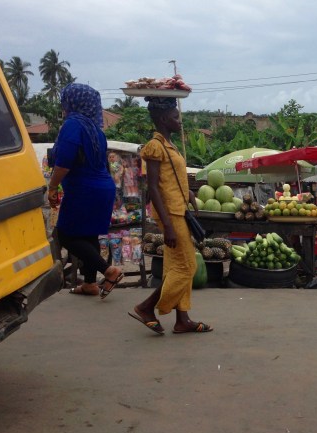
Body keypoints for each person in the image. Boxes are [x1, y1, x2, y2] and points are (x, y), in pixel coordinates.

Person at [129, 96, 213, 335]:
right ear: (165, 119)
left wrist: (188, 193)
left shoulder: (169, 145)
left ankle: (182, 319)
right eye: (176, 117)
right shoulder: (155, 146)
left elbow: (171, 178)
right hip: (170, 215)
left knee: (174, 267)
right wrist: (167, 225)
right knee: (187, 266)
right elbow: (153, 187)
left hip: (179, 209)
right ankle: (146, 307)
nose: (180, 121)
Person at [47, 83, 123, 298]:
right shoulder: (95, 129)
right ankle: (90, 283)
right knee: (88, 235)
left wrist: (52, 186)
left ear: (72, 102)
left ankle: (109, 271)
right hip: (102, 188)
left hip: (84, 189)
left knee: (67, 236)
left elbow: (64, 162)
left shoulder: (73, 124)